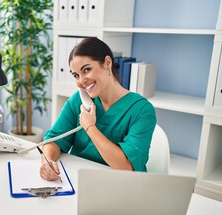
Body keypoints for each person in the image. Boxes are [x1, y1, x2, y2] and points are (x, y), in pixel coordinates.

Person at [40, 37, 156, 181]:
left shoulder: (142, 110)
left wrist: (90, 127)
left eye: (86, 70)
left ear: (107, 63)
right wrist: (47, 161)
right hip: (80, 180)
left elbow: (125, 166)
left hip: (122, 185)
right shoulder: (79, 100)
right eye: (76, 75)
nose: (81, 81)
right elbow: (53, 141)